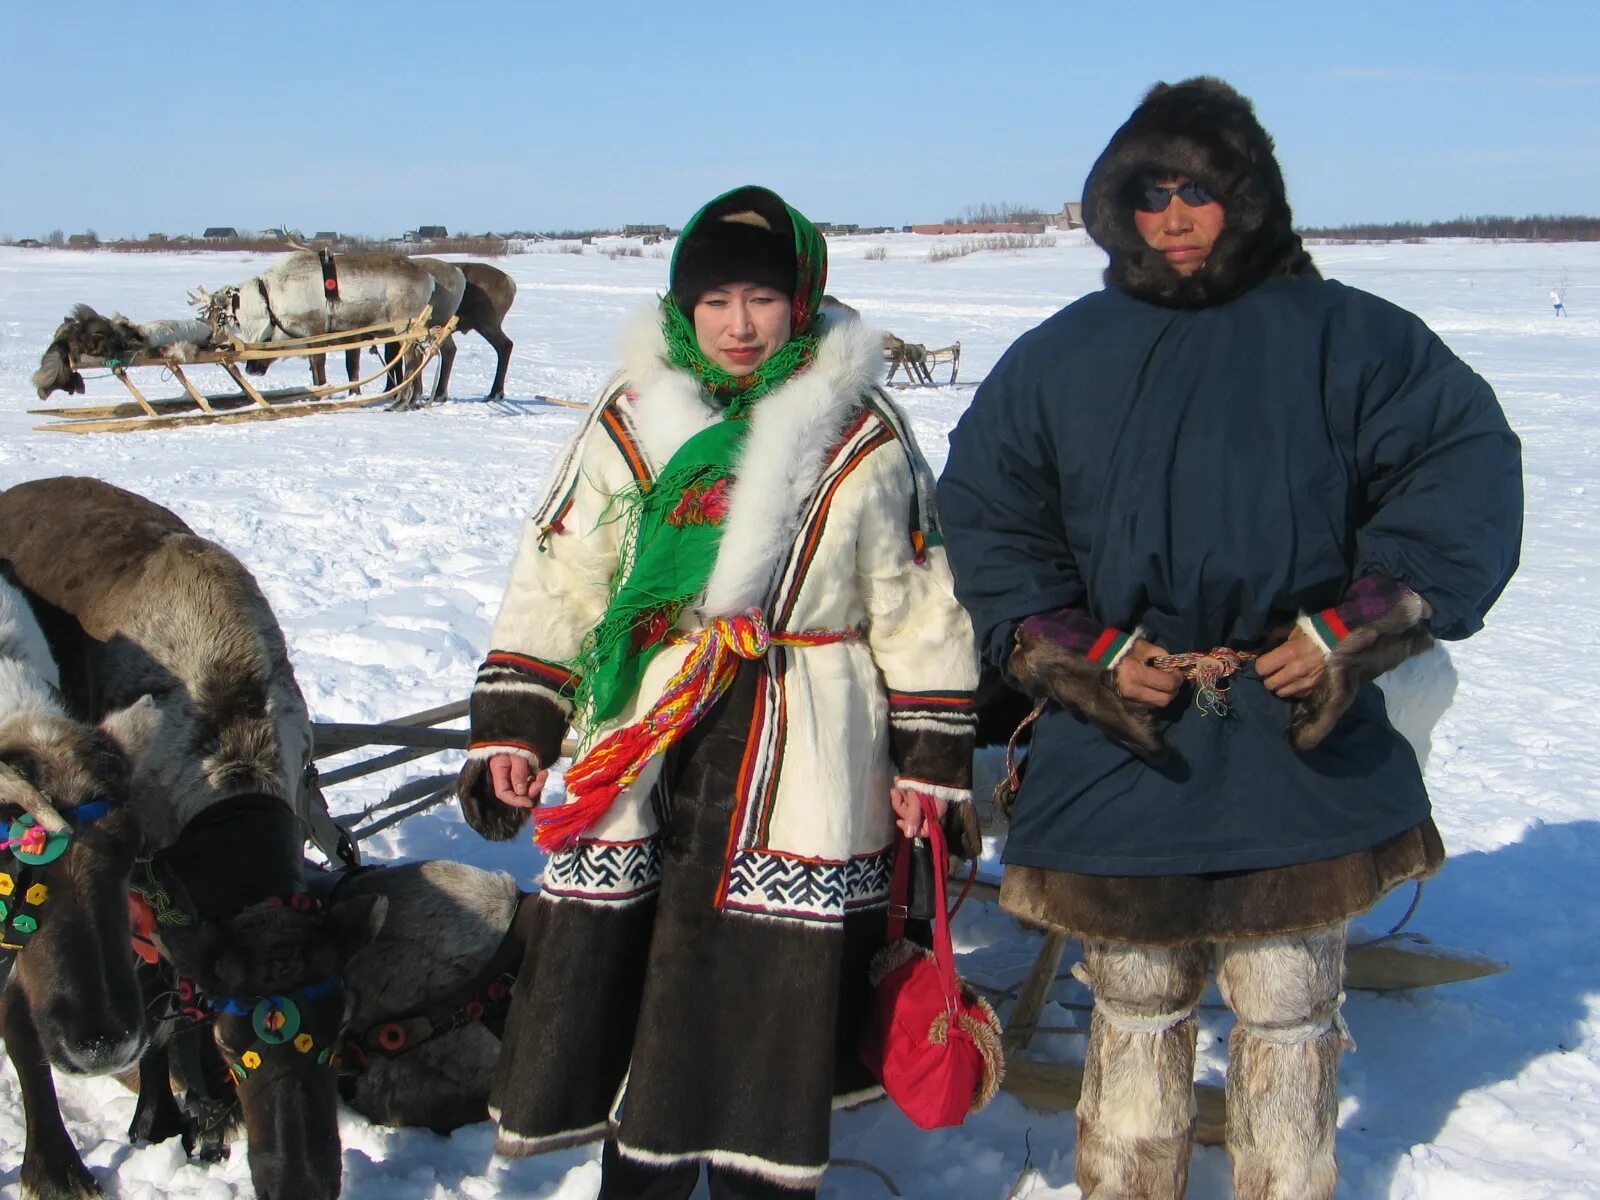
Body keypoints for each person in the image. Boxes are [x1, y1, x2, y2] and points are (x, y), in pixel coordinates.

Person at [938, 78, 1522, 1200]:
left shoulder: (1351, 338)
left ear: (1249, 200)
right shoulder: (1061, 356)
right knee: (1136, 994)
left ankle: (1286, 1182)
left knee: (1288, 997)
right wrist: (1078, 649)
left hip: (1291, 723)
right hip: (1126, 728)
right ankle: (1126, 1182)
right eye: (1149, 193)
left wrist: (1354, 626)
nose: (1173, 217)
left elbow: (1460, 469)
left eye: (1197, 191)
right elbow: (991, 515)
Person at [457, 185, 981, 1199]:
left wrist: (930, 760)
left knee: (764, 1025)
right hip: (650, 737)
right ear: (683, 306)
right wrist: (518, 724)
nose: (740, 325)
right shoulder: (633, 413)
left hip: (806, 743)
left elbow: (917, 601)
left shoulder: (859, 426)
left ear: (801, 301)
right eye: (716, 301)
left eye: (763, 299)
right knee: (633, 999)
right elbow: (563, 575)